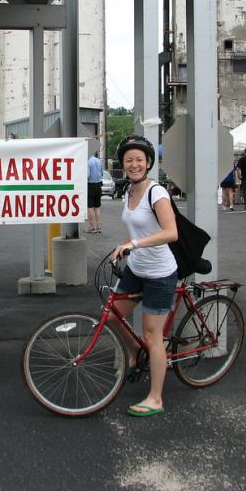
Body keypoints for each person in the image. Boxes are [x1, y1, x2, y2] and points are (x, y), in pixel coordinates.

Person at [108, 135, 178, 418]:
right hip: (137, 268)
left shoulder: (156, 192)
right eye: (129, 160)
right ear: (123, 165)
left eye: (139, 160)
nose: (134, 164)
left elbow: (170, 232)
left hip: (160, 274)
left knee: (154, 335)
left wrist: (133, 244)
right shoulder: (128, 191)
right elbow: (139, 229)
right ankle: (135, 350)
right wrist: (124, 244)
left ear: (148, 163)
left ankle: (156, 398)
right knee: (112, 314)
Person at [87, 151, 103, 233]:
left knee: (90, 207)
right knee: (97, 207)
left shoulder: (88, 161)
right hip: (98, 185)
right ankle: (99, 227)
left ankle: (92, 227)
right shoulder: (99, 161)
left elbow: (87, 175)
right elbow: (102, 173)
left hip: (90, 185)